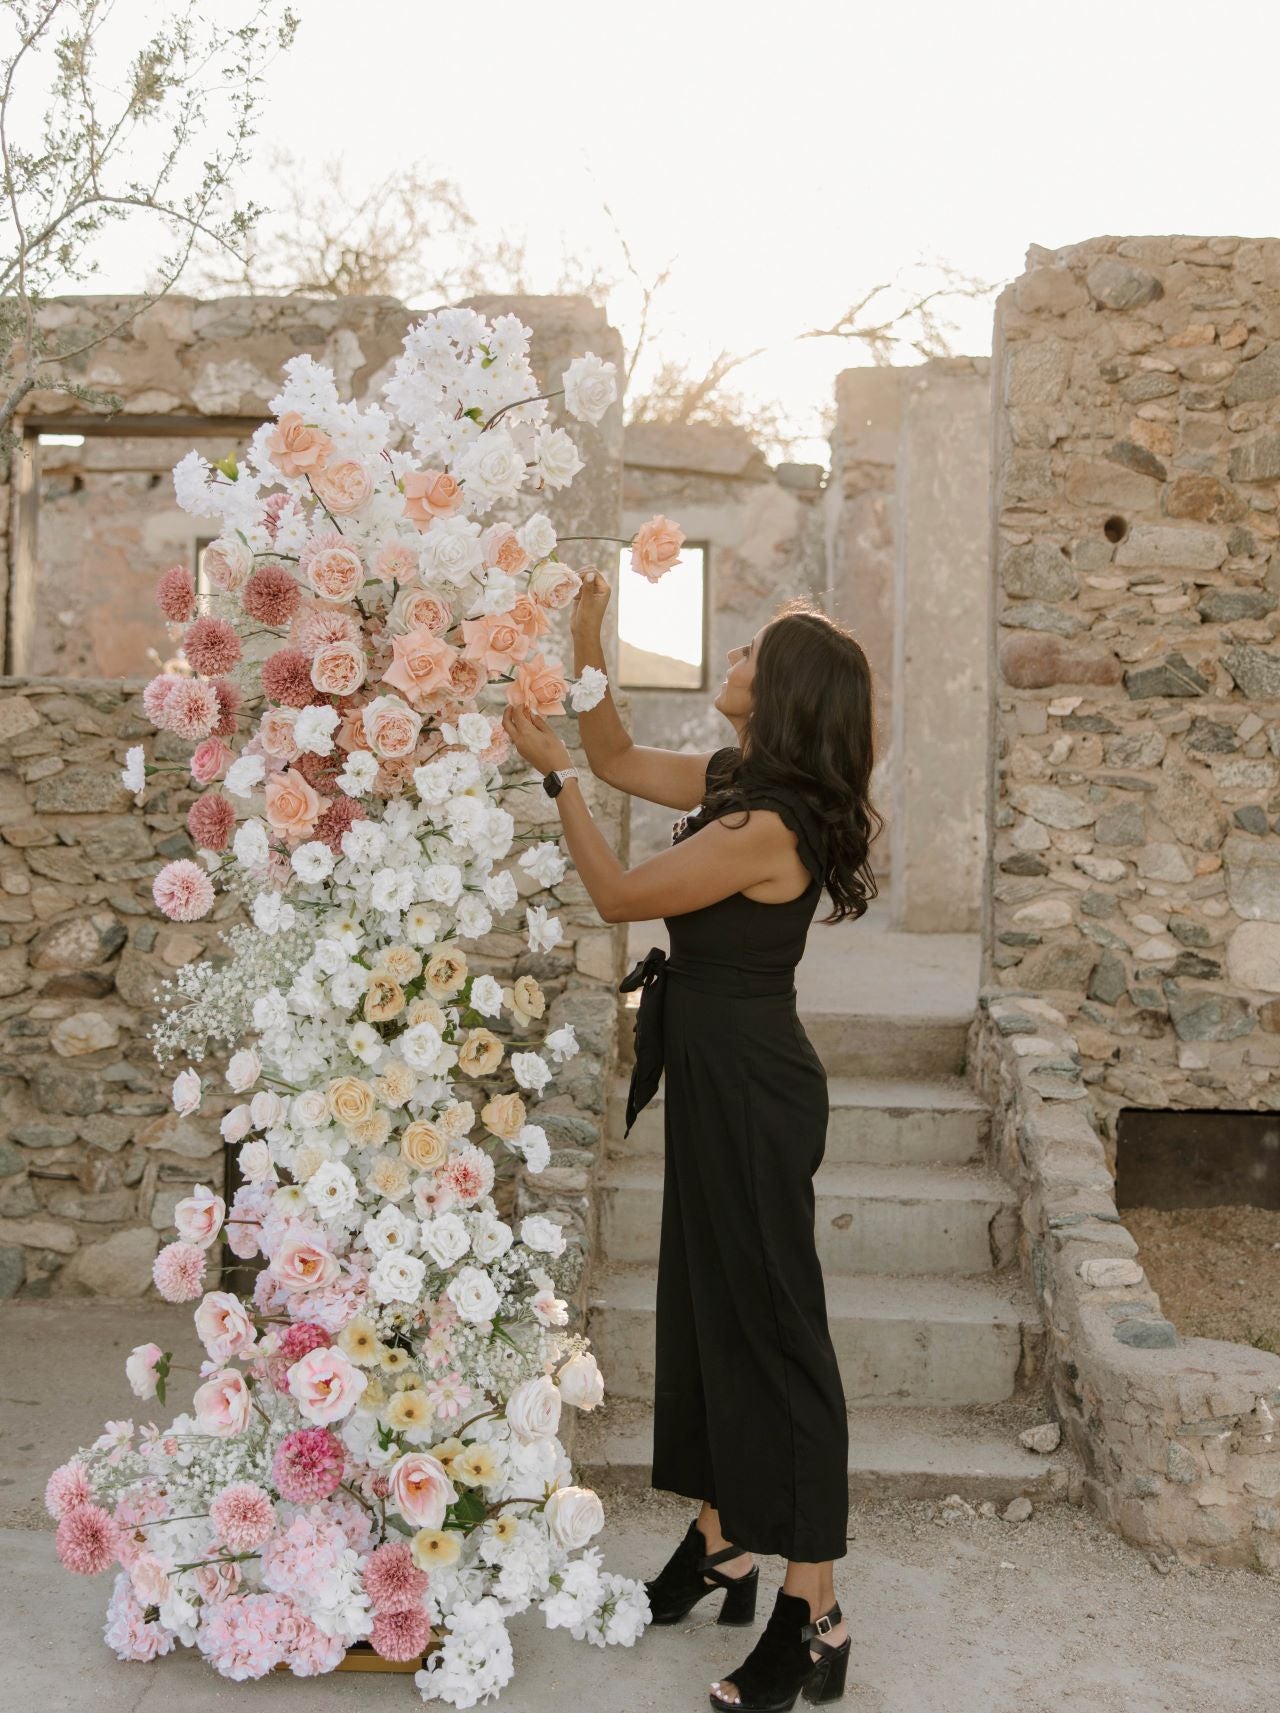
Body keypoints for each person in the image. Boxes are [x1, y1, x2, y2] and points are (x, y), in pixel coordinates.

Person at [500, 567, 880, 1713]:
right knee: (708, 1312)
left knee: (775, 1335)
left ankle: (815, 1612)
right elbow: (619, 756)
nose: (731, 663)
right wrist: (584, 643)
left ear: (782, 692)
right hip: (718, 1081)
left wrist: (550, 774)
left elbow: (616, 892)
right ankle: (721, 1542)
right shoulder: (737, 783)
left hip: (757, 1092)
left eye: (748, 656)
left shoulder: (767, 827)